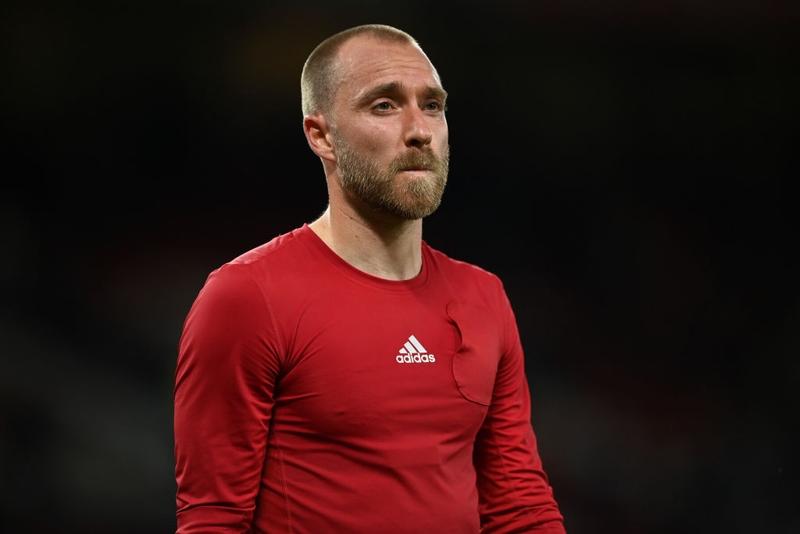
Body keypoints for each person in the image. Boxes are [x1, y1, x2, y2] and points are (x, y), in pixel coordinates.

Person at [174, 24, 565, 534]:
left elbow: (520, 505)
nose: (419, 130)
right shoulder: (248, 296)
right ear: (321, 136)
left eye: (432, 105)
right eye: (384, 105)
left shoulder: (482, 295)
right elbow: (214, 518)